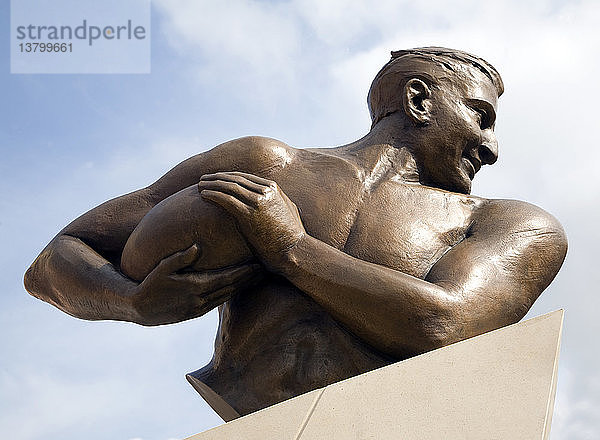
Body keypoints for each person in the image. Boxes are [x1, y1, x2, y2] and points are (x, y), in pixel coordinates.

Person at [24, 47, 567, 419]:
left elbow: (443, 323)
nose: (491, 147)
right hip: (245, 417)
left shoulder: (511, 224)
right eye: (481, 116)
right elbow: (53, 261)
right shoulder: (265, 165)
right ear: (419, 100)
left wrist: (289, 248)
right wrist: (130, 301)